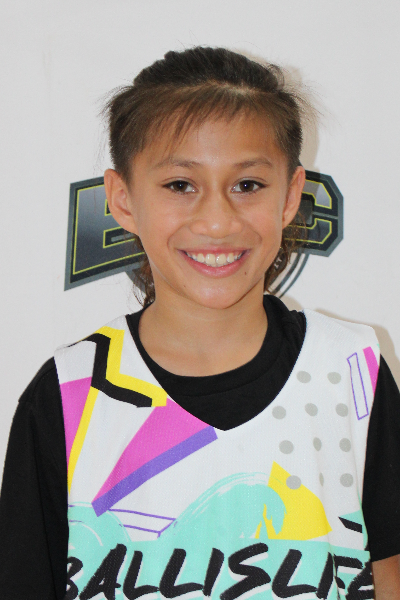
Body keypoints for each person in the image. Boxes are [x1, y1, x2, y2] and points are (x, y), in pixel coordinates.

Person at [1, 47, 400, 600]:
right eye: (180, 185)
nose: (216, 221)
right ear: (122, 199)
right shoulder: (69, 394)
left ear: (291, 195)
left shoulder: (354, 371)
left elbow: (389, 572)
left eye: (248, 185)